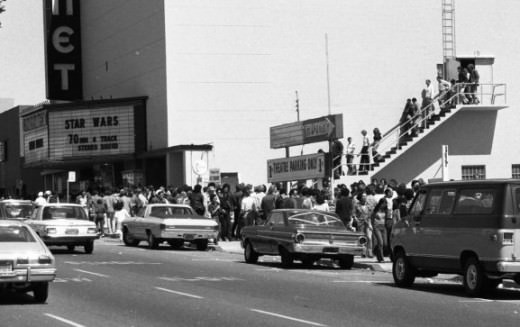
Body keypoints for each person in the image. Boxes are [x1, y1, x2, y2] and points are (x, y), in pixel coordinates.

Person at [354, 192, 373, 257]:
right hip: (360, 223)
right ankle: (363, 252)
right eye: (363, 196)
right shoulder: (357, 205)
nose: (365, 198)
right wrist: (356, 219)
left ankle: (370, 251)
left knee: (369, 237)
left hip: (367, 223)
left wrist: (370, 224)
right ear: (360, 198)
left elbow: (370, 215)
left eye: (365, 196)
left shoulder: (368, 205)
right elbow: (354, 214)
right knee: (362, 238)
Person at [371, 198, 389, 262]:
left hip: (383, 227)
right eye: (383, 203)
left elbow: (386, 219)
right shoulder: (376, 210)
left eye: (385, 203)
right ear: (380, 203)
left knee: (385, 244)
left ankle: (376, 251)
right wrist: (372, 226)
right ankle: (381, 258)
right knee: (380, 242)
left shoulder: (385, 210)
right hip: (377, 227)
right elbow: (372, 218)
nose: (384, 205)